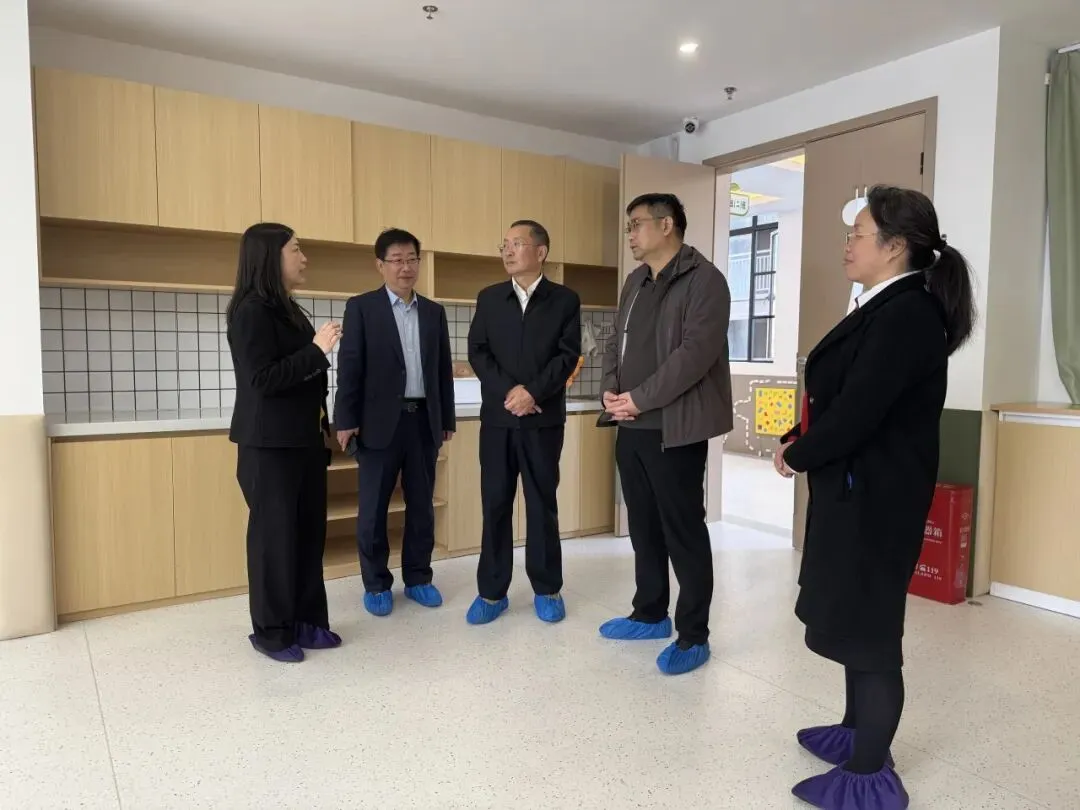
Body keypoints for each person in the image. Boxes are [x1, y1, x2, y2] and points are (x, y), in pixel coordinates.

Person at [775, 186, 975, 810]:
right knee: (850, 618)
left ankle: (869, 773)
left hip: (877, 501)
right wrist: (800, 435)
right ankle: (856, 729)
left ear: (894, 247)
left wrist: (798, 455)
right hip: (856, 491)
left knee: (871, 633)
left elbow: (860, 412)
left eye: (857, 234)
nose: (847, 244)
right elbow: (846, 395)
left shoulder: (908, 314)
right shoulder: (883, 305)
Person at [599, 192, 732, 676]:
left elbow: (694, 355)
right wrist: (612, 390)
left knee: (683, 530)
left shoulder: (705, 280)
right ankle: (650, 613)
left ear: (667, 224)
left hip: (675, 429)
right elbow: (616, 342)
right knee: (644, 526)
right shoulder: (636, 281)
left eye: (636, 224)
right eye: (629, 226)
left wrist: (641, 397)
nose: (630, 235)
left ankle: (693, 635)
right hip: (631, 425)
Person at [226, 223, 343, 663]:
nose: (304, 257)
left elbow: (302, 372)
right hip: (269, 447)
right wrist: (316, 351)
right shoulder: (250, 311)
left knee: (308, 535)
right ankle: (272, 632)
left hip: (304, 442)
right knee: (274, 542)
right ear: (270, 256)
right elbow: (262, 379)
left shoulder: (288, 309)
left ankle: (307, 621)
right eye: (296, 249)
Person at [334, 228, 455, 617]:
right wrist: (345, 419)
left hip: (423, 422)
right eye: (397, 260)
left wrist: (446, 419)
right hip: (377, 424)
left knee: (422, 506)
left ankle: (419, 578)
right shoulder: (361, 308)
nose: (406, 267)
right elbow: (349, 367)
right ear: (380, 265)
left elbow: (442, 371)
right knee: (373, 508)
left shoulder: (433, 312)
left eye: (412, 259)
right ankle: (376, 583)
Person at [466, 220, 581, 625]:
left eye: (517, 243)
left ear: (541, 252)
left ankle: (547, 589)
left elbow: (567, 356)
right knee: (495, 503)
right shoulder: (489, 298)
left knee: (541, 504)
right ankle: (491, 592)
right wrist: (511, 392)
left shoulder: (564, 300)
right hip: (498, 421)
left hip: (543, 421)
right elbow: (478, 352)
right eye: (505, 245)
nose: (508, 251)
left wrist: (533, 393)